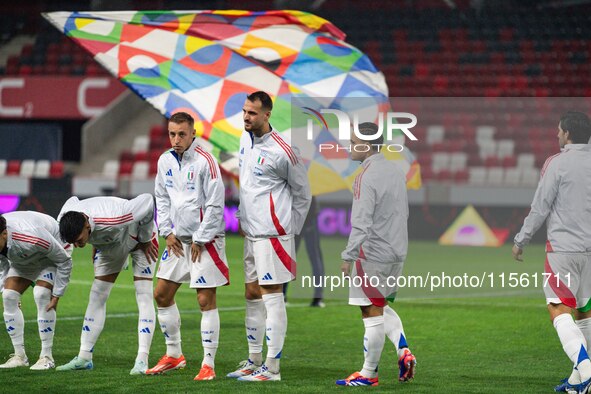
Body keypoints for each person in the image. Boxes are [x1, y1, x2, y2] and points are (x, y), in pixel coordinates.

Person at [227, 91, 311, 382]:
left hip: (274, 233)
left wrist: (289, 228)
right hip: (251, 231)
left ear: (267, 115)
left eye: (252, 113)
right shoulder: (243, 139)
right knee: (251, 294)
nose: (246, 117)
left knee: (272, 297)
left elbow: (303, 193)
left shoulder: (283, 150)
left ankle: (272, 369)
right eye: (245, 111)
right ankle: (254, 360)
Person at [146, 112, 229, 380]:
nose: (176, 139)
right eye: (172, 134)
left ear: (193, 132)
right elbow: (162, 197)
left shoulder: (207, 162)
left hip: (204, 242)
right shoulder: (165, 160)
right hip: (177, 240)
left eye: (182, 134)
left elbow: (217, 205)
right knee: (161, 294)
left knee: (205, 299)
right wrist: (167, 231)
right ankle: (174, 355)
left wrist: (201, 237)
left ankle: (208, 364)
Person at [513, 111, 591, 393]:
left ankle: (585, 368)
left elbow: (541, 205)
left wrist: (522, 239)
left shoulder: (557, 164)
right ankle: (578, 379)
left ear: (568, 133)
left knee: (558, 308)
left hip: (563, 248)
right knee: (584, 311)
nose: (557, 135)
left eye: (559, 131)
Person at [336, 122, 416, 387]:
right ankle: (403, 349)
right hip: (396, 252)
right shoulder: (395, 170)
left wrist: (348, 256)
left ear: (366, 145)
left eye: (353, 140)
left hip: (372, 253)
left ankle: (368, 374)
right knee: (380, 304)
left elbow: (361, 222)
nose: (349, 145)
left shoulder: (365, 175)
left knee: (370, 312)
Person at [55, 194, 159, 375]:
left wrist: (145, 237)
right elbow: (71, 199)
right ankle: (84, 357)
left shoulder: (115, 216)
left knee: (144, 294)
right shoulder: (66, 217)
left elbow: (148, 200)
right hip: (110, 246)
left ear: (87, 225)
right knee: (97, 295)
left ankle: (142, 360)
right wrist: (94, 240)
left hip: (139, 241)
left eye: (80, 241)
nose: (79, 246)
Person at [0, 211, 73, 370]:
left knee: (41, 294)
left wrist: (57, 295)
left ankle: (47, 357)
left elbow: (64, 261)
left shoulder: (32, 238)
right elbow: (3, 266)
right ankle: (20, 356)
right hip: (24, 256)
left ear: (4, 234)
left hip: (52, 253)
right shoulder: (3, 237)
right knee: (9, 296)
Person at [283, 197, 326, 307]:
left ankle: (282, 295)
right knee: (314, 257)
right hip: (307, 214)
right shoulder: (312, 180)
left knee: (290, 256)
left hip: (299, 214)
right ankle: (318, 297)